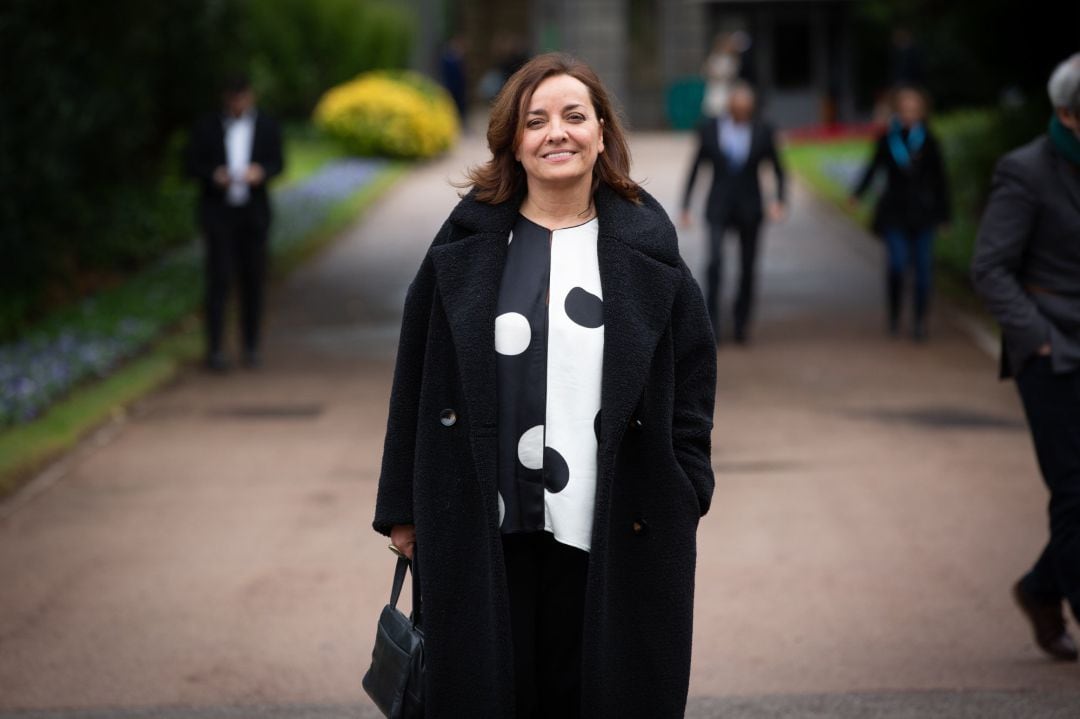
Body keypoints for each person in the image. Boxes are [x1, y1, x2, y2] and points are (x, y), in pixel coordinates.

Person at [374, 53, 717, 718]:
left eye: (573, 116)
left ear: (601, 132)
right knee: (493, 691)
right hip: (484, 524)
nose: (556, 132)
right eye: (536, 120)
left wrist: (687, 482)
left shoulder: (649, 249)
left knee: (596, 691)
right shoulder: (465, 244)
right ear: (513, 141)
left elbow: (695, 375)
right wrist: (402, 505)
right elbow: (414, 373)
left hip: (613, 523)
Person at [971, 52, 1080, 664]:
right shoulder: (1027, 172)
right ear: (1067, 113)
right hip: (1053, 350)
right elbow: (990, 267)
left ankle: (1041, 587)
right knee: (1074, 490)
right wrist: (1035, 336)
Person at [185, 73, 283, 371]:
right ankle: (215, 349)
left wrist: (260, 172)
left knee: (253, 280)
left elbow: (278, 163)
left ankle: (250, 346)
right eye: (233, 97)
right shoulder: (207, 127)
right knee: (218, 279)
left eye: (242, 96)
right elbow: (191, 165)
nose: (238, 103)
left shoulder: (267, 126)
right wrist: (216, 175)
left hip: (253, 214)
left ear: (250, 97)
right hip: (219, 214)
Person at [681, 81, 786, 345]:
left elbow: (778, 168)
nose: (740, 112)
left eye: (745, 108)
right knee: (714, 262)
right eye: (736, 107)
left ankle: (741, 324)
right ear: (729, 107)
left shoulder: (763, 130)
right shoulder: (711, 129)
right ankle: (711, 322)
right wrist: (686, 205)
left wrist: (779, 200)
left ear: (750, 109)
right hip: (718, 206)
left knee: (748, 267)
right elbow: (696, 167)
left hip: (750, 208)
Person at [850, 85, 950, 341]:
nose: (909, 114)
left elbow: (940, 181)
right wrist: (857, 194)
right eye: (904, 109)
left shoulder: (929, 140)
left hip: (923, 214)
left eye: (913, 109)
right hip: (894, 213)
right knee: (896, 265)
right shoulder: (887, 140)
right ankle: (894, 313)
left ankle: (919, 321)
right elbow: (873, 169)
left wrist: (944, 215)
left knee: (923, 272)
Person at [701, 32, 742, 118]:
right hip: (715, 88)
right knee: (714, 110)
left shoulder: (732, 59)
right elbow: (706, 72)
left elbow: (732, 74)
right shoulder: (713, 57)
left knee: (726, 110)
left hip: (726, 88)